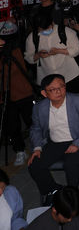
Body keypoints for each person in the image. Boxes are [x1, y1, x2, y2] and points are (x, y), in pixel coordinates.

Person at [28, 74, 79, 204]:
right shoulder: (39, 108)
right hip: (54, 142)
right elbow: (36, 129)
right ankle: (55, 190)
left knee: (71, 163)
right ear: (44, 93)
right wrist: (37, 148)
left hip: (76, 139)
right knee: (34, 165)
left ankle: (71, 194)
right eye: (52, 89)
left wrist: (77, 143)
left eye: (61, 87)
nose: (58, 91)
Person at [24, 14, 79, 93]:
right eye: (42, 30)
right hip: (47, 78)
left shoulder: (65, 31)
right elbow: (28, 57)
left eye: (47, 28)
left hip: (69, 75)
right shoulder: (32, 37)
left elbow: (77, 50)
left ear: (52, 23)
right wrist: (38, 55)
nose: (45, 31)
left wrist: (59, 51)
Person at [0, 36, 35, 166]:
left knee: (32, 121)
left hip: (23, 92)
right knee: (12, 126)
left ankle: (39, 145)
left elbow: (14, 70)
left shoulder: (13, 50)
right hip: (6, 97)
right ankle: (20, 150)